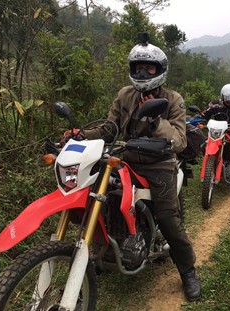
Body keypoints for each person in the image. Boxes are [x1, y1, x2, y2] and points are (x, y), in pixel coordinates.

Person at [64, 33, 201, 301]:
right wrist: (81, 135)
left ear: (160, 70)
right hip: (124, 158)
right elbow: (110, 127)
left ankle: (188, 271)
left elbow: (180, 140)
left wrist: (154, 122)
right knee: (98, 200)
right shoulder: (125, 95)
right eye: (138, 67)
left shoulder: (173, 99)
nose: (142, 72)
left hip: (159, 164)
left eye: (149, 68)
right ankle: (101, 252)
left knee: (169, 220)